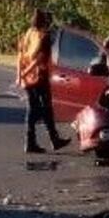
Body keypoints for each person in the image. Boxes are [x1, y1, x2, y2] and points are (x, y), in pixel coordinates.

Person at [16, 9, 69, 153]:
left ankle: (35, 141)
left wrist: (20, 74)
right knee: (45, 108)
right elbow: (39, 59)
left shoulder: (28, 34)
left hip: (28, 77)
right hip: (39, 76)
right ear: (45, 22)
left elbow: (20, 54)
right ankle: (50, 139)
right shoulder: (43, 37)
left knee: (34, 108)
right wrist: (25, 72)